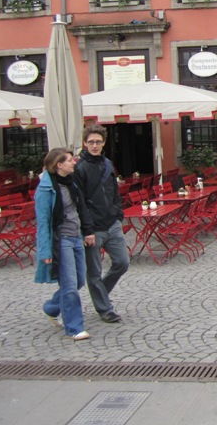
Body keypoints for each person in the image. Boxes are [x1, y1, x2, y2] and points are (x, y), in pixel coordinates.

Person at [35, 148, 93, 341]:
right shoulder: (46, 189)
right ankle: (75, 328)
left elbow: (80, 207)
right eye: (70, 160)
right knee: (69, 285)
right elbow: (43, 221)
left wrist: (87, 231)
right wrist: (44, 250)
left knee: (78, 281)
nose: (74, 162)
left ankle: (50, 308)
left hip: (76, 236)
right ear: (59, 164)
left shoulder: (72, 183)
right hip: (62, 240)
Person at [74, 124, 128, 324]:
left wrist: (118, 213)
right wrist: (87, 229)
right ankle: (105, 309)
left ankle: (100, 293)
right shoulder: (80, 168)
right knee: (94, 271)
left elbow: (114, 191)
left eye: (98, 142)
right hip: (93, 228)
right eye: (91, 142)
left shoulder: (107, 163)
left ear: (103, 142)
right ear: (85, 143)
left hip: (112, 223)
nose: (94, 145)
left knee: (122, 262)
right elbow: (79, 201)